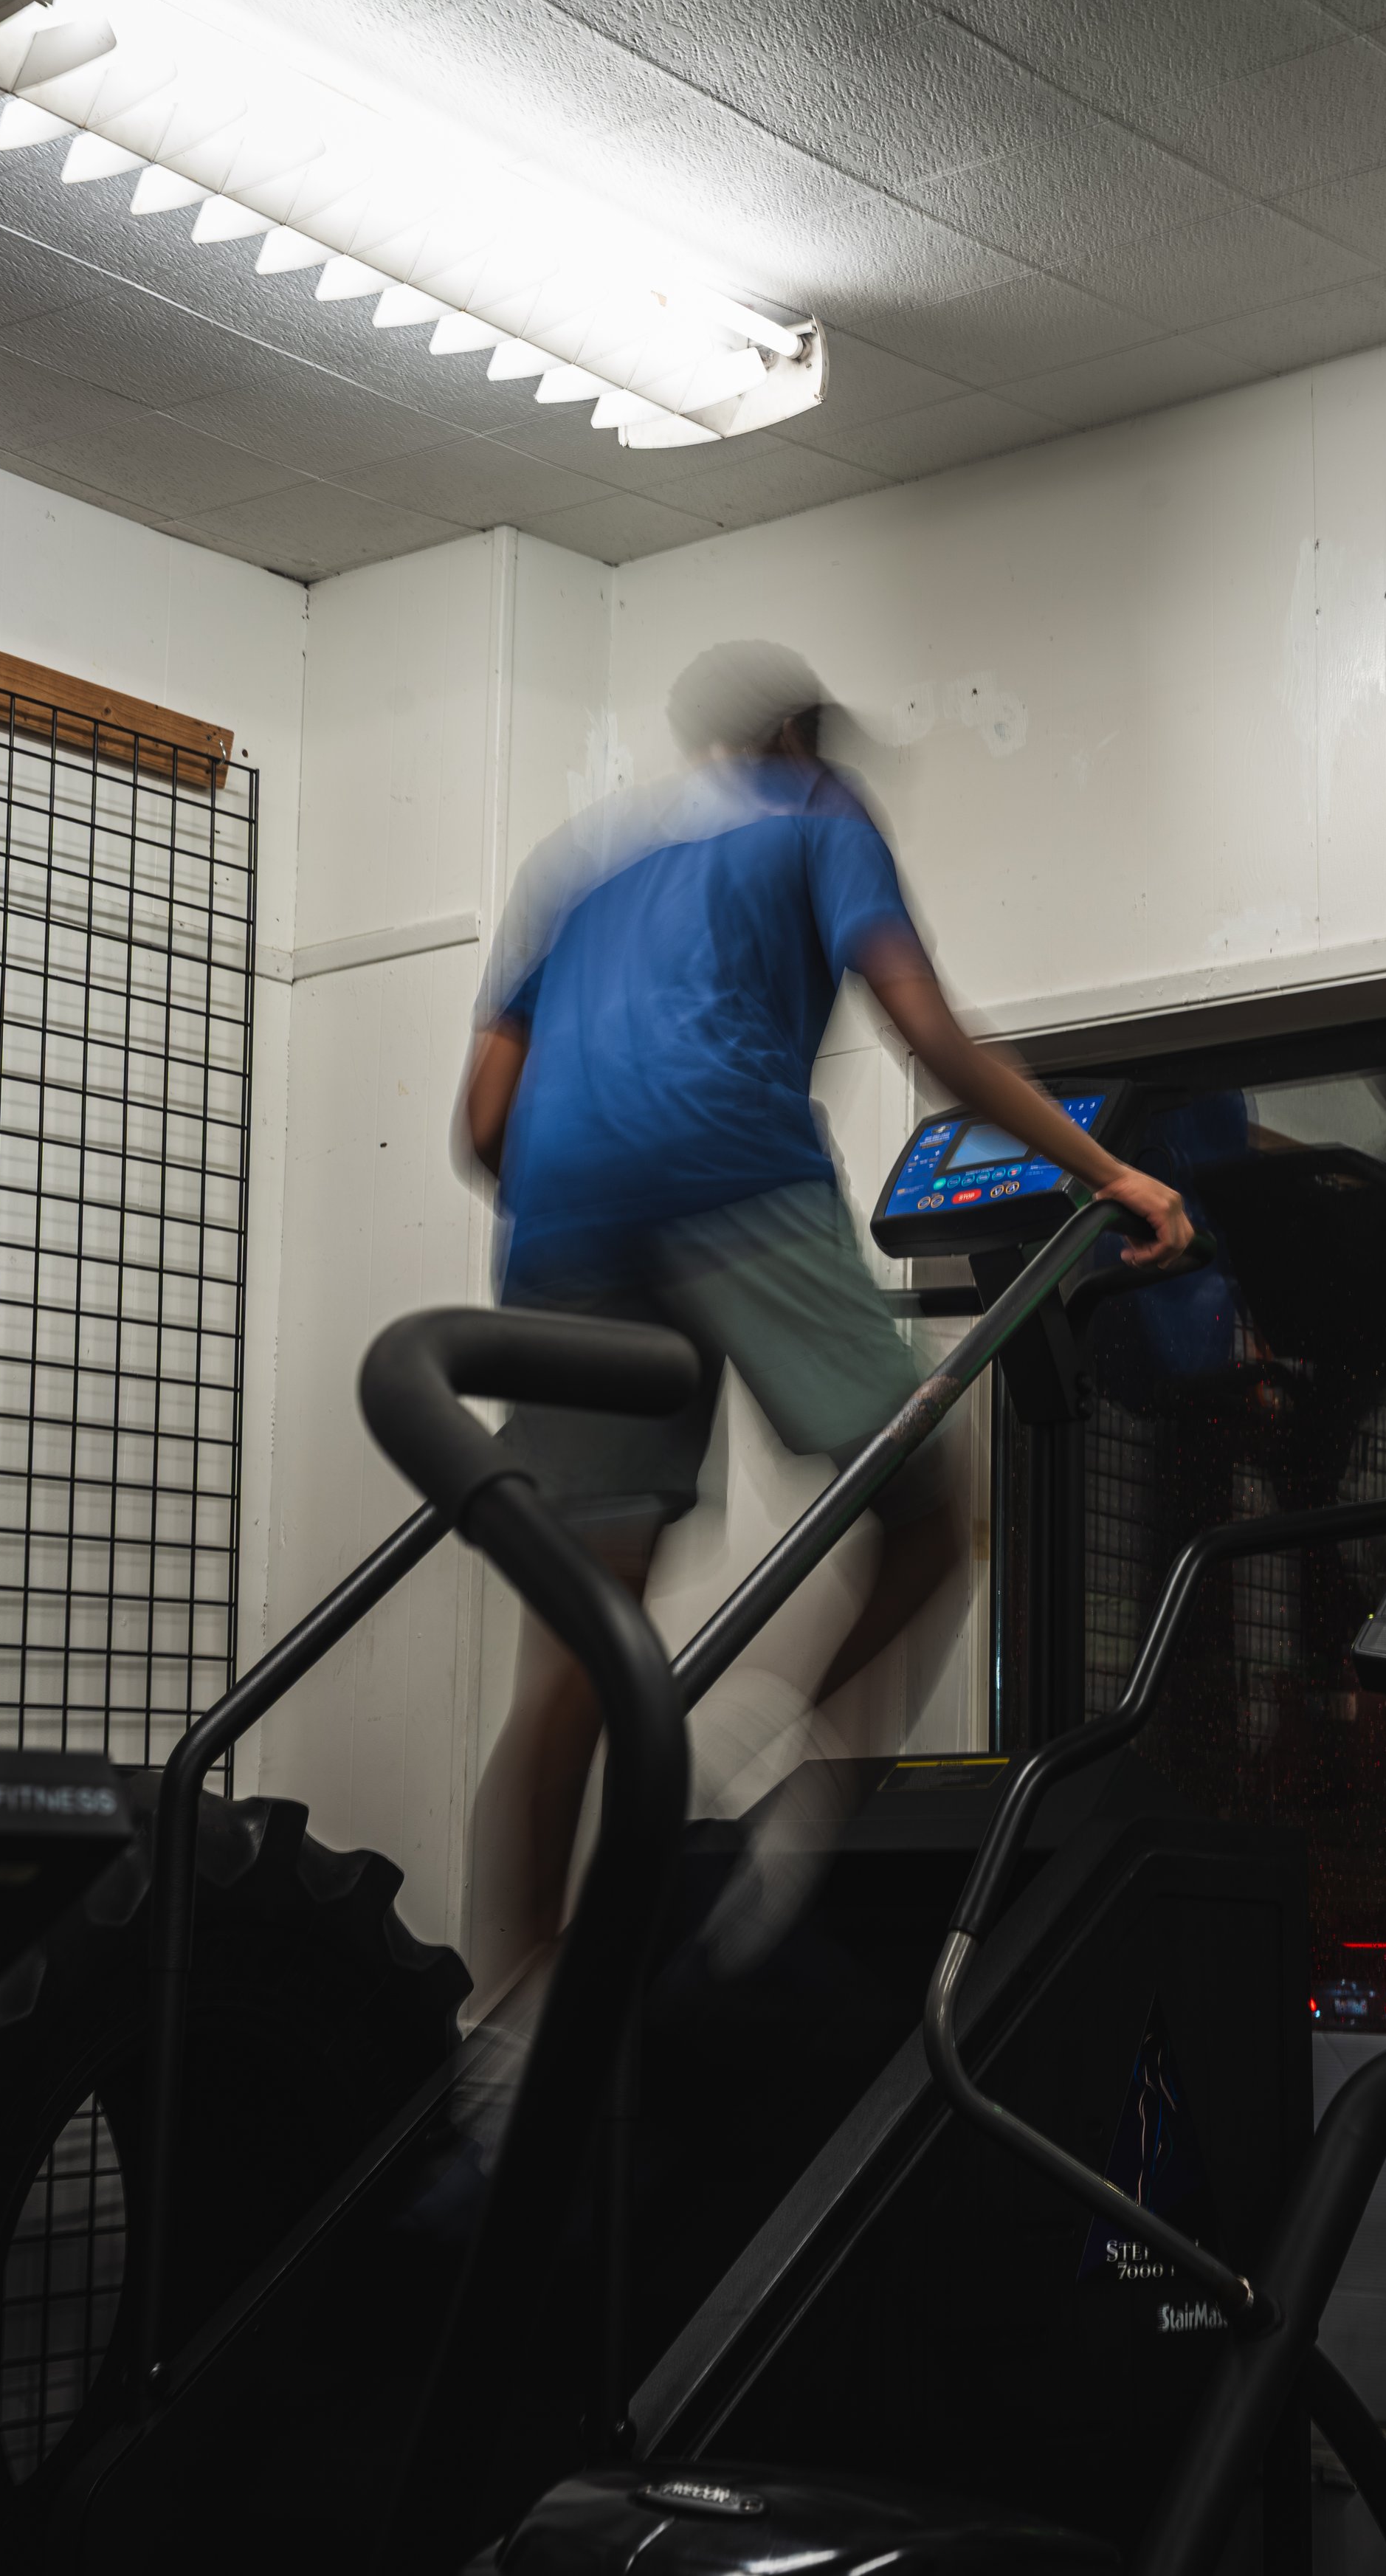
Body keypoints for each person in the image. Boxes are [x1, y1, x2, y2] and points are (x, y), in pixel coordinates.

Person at [457, 643, 1190, 2012]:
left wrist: (593, 1215)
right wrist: (1113, 1175)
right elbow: (930, 1033)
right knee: (926, 1510)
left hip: (560, 1221)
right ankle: (789, 1761)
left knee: (575, 1632)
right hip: (733, 1164)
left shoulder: (580, 870)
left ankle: (507, 2001)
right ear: (801, 736)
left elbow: (484, 1121)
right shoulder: (819, 812)